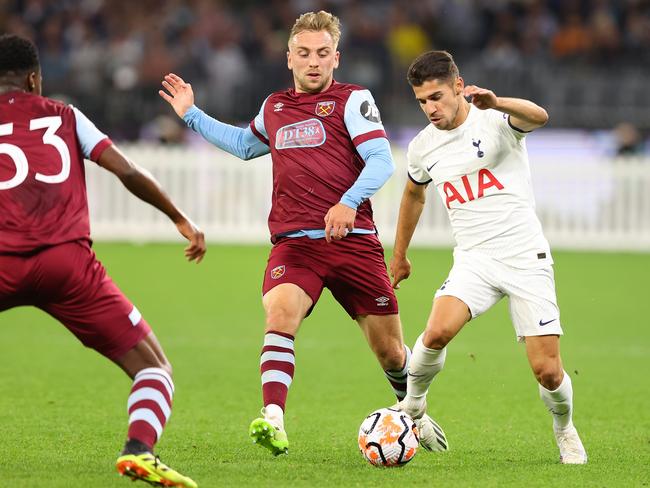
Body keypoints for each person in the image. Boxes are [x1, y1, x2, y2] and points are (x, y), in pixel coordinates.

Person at [159, 11, 447, 456]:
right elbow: (242, 145)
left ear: (337, 58)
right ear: (288, 57)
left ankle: (414, 411)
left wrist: (348, 202)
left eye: (323, 54)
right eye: (304, 53)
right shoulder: (274, 107)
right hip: (295, 245)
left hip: (354, 244)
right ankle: (273, 417)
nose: (314, 62)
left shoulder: (353, 100)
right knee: (279, 317)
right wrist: (191, 114)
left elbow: (381, 161)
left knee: (391, 353)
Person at [0, 34, 205, 487]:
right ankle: (139, 451)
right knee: (154, 367)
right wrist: (179, 218)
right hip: (66, 264)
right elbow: (128, 170)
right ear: (35, 79)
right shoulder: (65, 116)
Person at [390, 50, 588, 464]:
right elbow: (413, 193)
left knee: (547, 371)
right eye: (422, 101)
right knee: (437, 330)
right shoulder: (423, 147)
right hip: (474, 259)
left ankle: (564, 428)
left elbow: (540, 116)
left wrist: (497, 102)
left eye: (438, 97)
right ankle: (412, 406)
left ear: (459, 86)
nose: (431, 108)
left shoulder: (494, 119)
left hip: (523, 256)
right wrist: (401, 254)